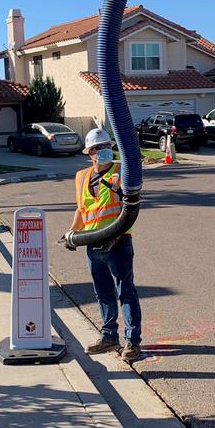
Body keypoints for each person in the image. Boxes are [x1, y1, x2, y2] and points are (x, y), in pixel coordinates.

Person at [69, 129, 142, 359]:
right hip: (93, 244)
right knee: (103, 293)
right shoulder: (81, 177)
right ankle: (109, 337)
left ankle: (132, 342)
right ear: (89, 153)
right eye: (98, 148)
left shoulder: (122, 171)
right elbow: (82, 209)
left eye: (106, 146)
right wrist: (73, 232)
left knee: (126, 292)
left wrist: (116, 235)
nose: (103, 151)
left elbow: (132, 206)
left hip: (118, 242)